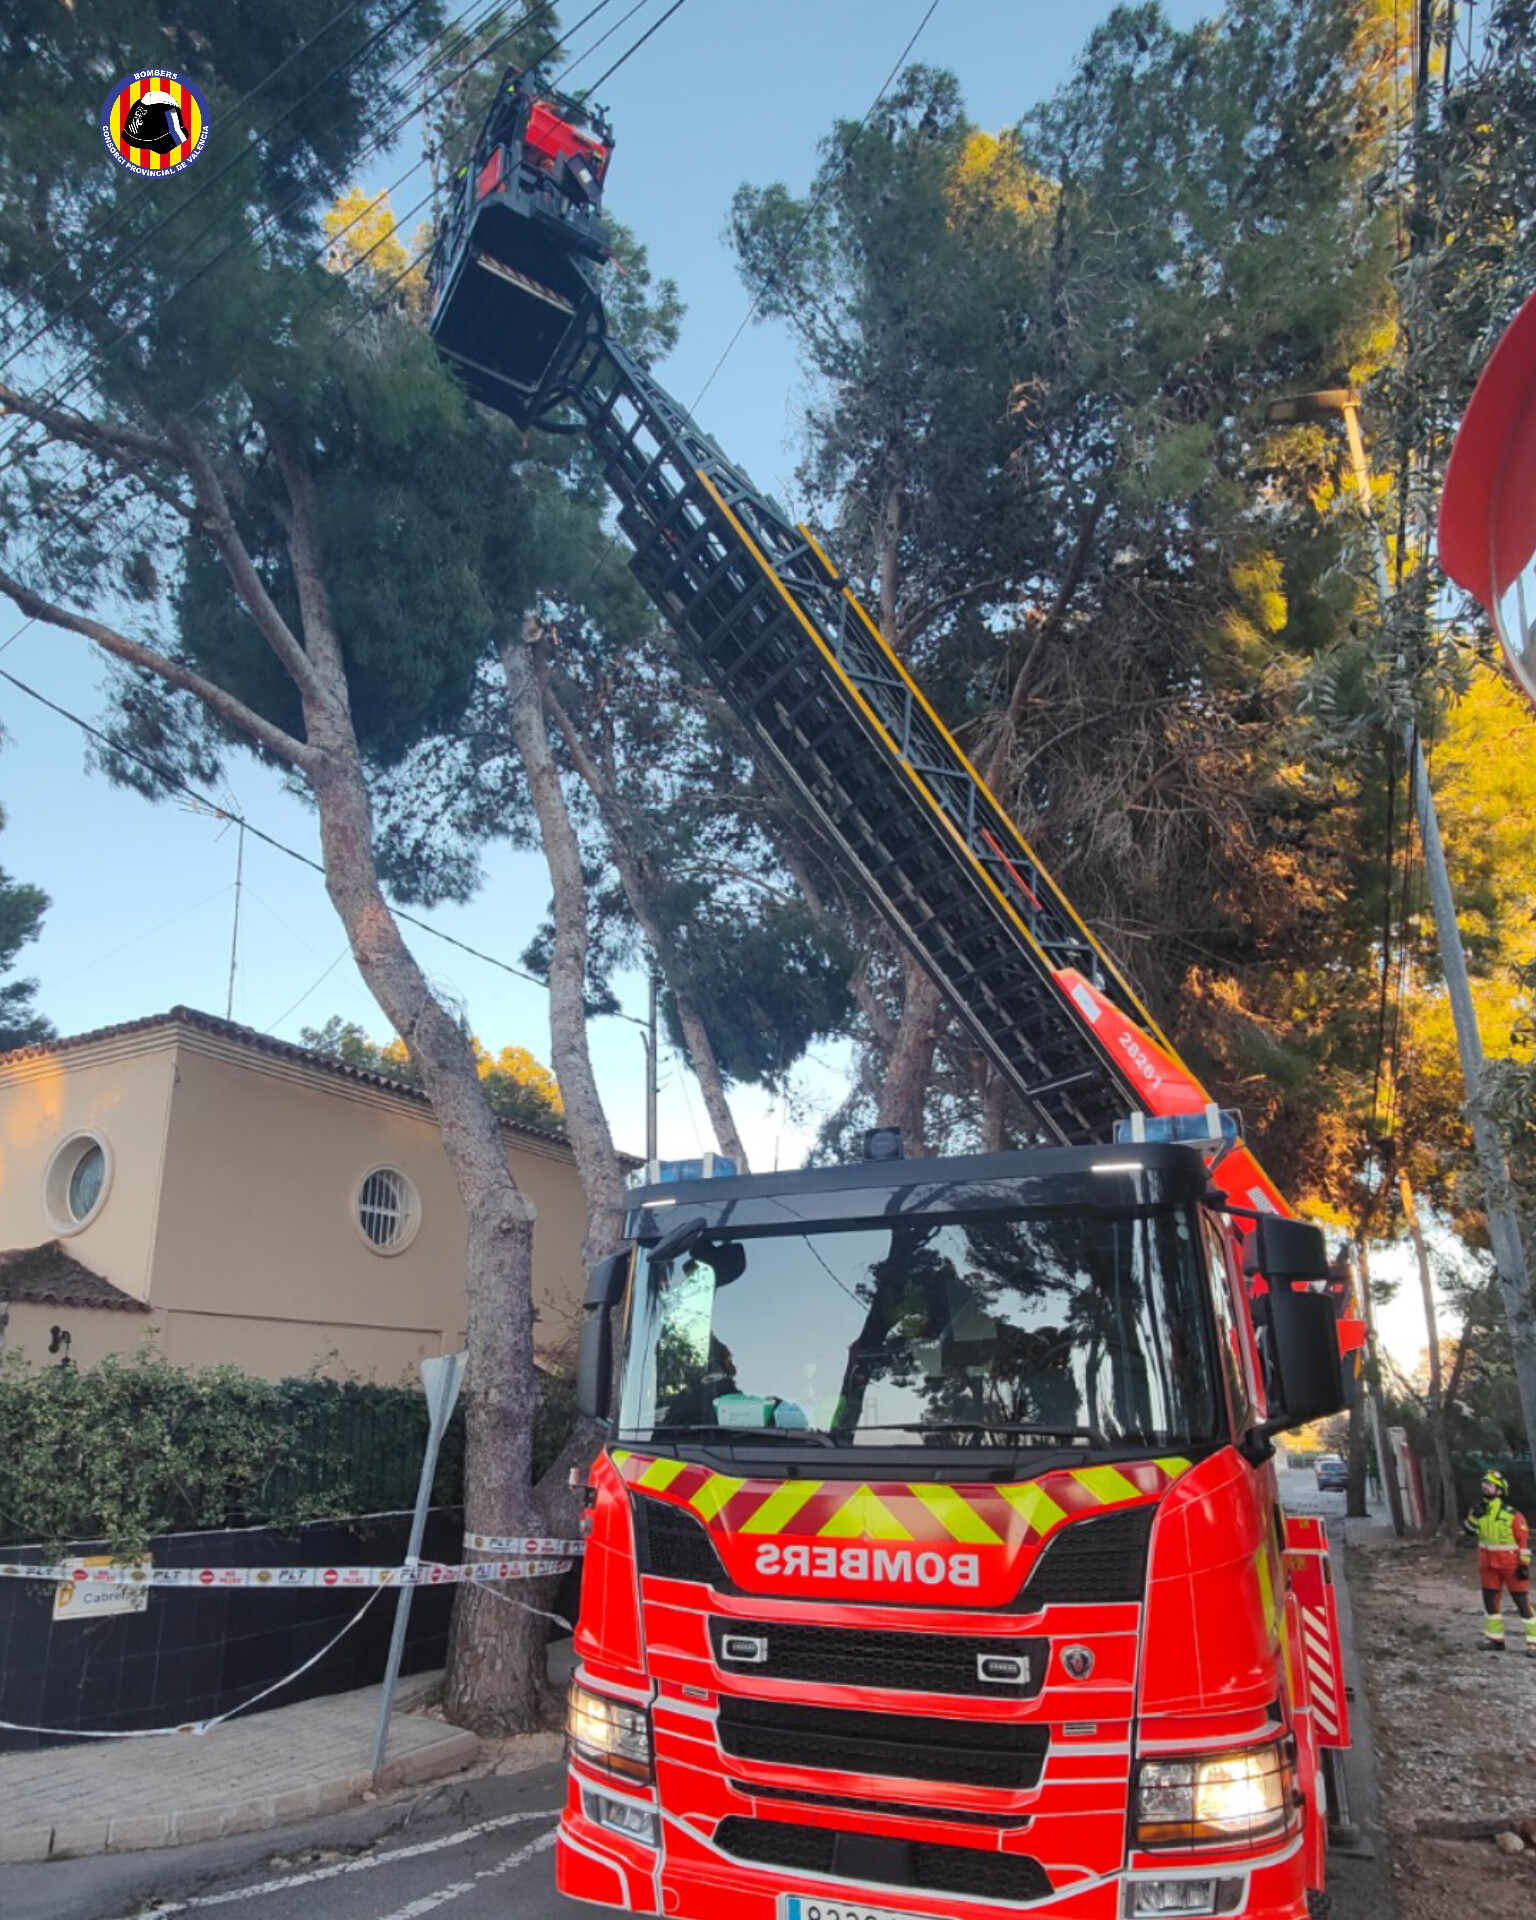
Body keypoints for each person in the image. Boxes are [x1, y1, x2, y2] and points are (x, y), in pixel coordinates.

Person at [1462, 1469, 1535, 1654]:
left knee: (1523, 1604)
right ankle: (1496, 1640)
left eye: (1490, 1484)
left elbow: (1524, 1543)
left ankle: (1534, 1643)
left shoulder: (1512, 1515)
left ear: (1500, 1490)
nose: (1486, 1487)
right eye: (1484, 1484)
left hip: (1511, 1566)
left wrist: (1524, 1565)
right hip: (1488, 1566)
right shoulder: (1478, 1510)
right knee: (1490, 1603)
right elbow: (1468, 1531)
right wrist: (1474, 1516)